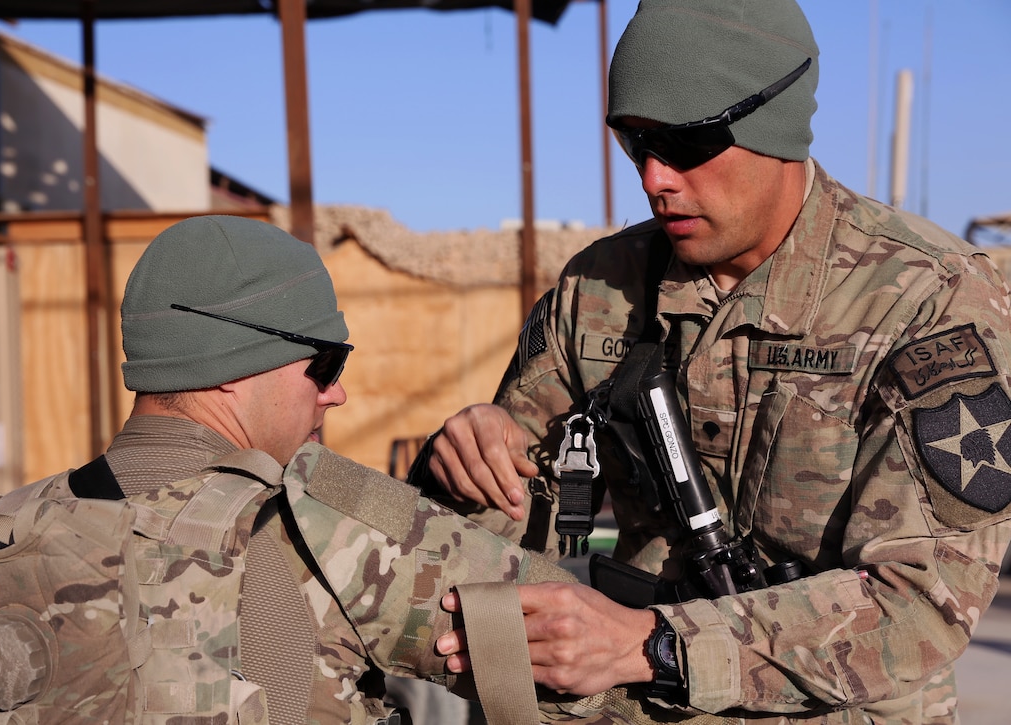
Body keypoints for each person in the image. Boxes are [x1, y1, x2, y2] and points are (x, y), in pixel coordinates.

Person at [414, 1, 1011, 722]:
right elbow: (510, 512)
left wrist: (657, 644)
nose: (654, 178)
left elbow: (918, 603)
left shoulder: (929, 300)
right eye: (635, 143)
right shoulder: (601, 288)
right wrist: (469, 456)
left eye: (685, 144)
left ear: (775, 126)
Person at [0, 214, 586, 725]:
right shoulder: (336, 522)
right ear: (235, 365)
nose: (336, 393)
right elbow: (586, 645)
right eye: (325, 364)